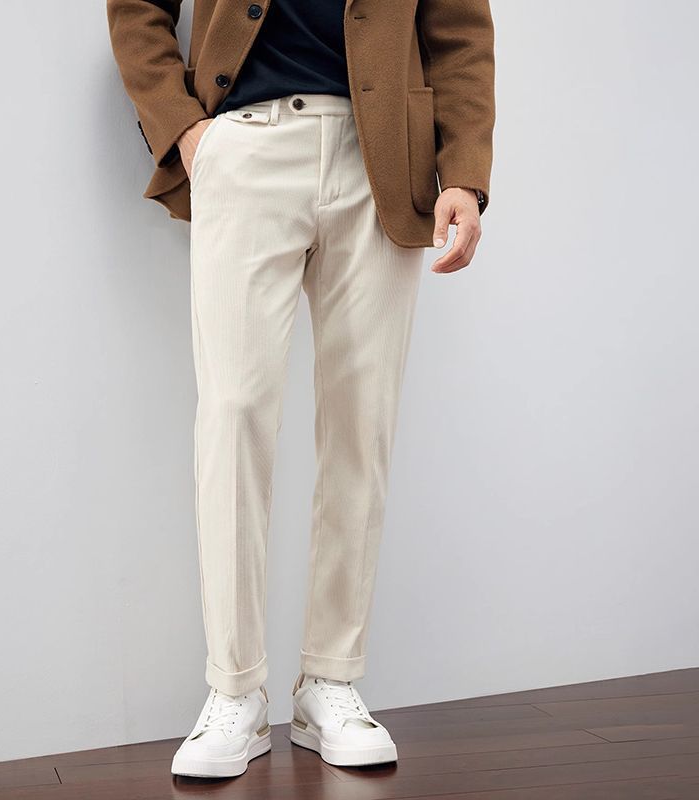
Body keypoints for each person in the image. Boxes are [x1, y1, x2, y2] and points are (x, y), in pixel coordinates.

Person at [107, 0, 495, 779]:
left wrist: (464, 170)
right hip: (243, 142)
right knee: (233, 416)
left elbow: (459, 29)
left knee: (362, 422)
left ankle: (330, 681)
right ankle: (235, 690)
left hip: (382, 153)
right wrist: (186, 133)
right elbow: (136, 9)